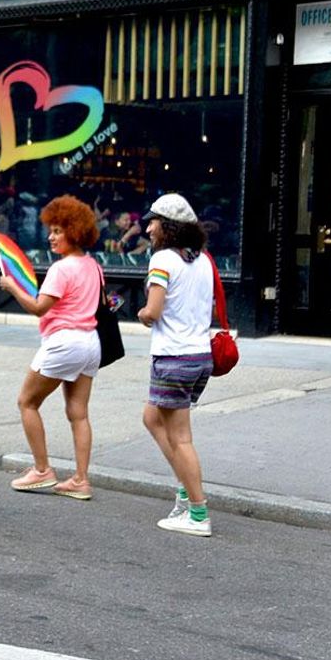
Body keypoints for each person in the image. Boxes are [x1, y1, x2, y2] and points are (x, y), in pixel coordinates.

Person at [0, 195, 102, 501]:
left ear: (75, 230)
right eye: (51, 230)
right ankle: (81, 480)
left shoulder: (61, 269)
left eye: (58, 230)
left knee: (26, 402)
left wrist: (12, 287)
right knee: (79, 413)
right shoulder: (93, 265)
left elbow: (39, 308)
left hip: (64, 342)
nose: (52, 237)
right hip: (90, 343)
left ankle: (42, 470)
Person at [137, 193, 214, 537]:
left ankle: (197, 513)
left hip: (174, 357)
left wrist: (141, 313)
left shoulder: (163, 260)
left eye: (153, 221)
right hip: (199, 356)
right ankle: (186, 486)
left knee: (181, 437)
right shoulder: (204, 261)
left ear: (168, 227)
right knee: (151, 418)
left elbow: (153, 311)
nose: (148, 227)